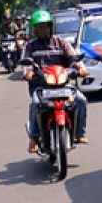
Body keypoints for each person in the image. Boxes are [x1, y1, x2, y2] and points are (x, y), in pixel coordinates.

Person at [21, 9, 89, 151]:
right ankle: (33, 138)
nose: (42, 30)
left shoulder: (62, 43)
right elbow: (26, 64)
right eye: (38, 27)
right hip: (41, 86)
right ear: (34, 30)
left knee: (81, 100)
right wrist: (28, 73)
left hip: (62, 84)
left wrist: (81, 69)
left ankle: (79, 134)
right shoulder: (30, 46)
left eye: (45, 26)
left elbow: (73, 57)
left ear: (50, 27)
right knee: (35, 104)